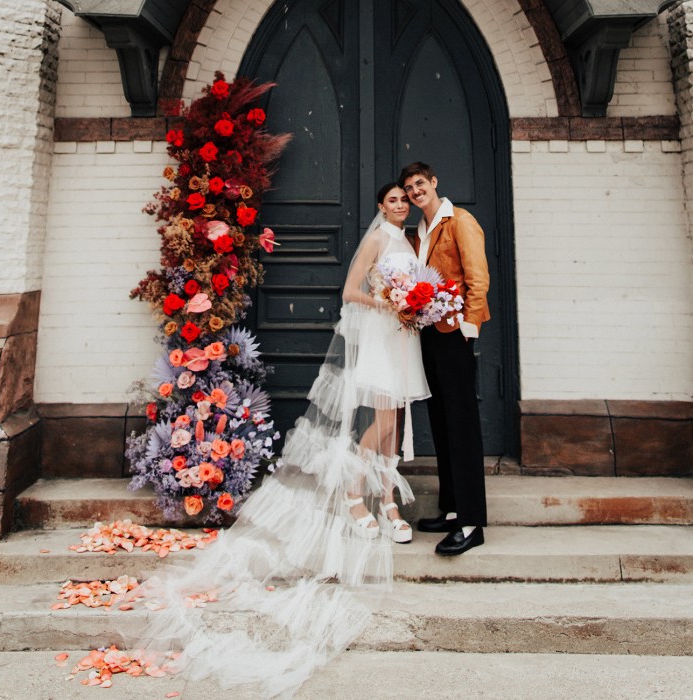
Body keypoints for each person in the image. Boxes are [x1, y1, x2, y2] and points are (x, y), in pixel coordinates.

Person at [122, 184, 429, 698]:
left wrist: (414, 303)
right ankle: (358, 491)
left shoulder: (414, 240)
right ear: (381, 205)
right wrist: (388, 299)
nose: (399, 204)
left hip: (403, 337)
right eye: (393, 199)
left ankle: (388, 499)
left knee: (397, 420)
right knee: (382, 418)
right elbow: (351, 291)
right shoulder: (378, 240)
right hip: (379, 334)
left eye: (404, 198)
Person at [398, 161, 490, 557]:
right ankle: (452, 509)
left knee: (463, 426)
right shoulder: (418, 231)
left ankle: (472, 523)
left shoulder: (460, 221)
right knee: (442, 423)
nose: (416, 191)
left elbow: (477, 277)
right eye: (409, 188)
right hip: (430, 336)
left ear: (434, 183)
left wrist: (469, 329)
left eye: (420, 184)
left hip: (456, 336)